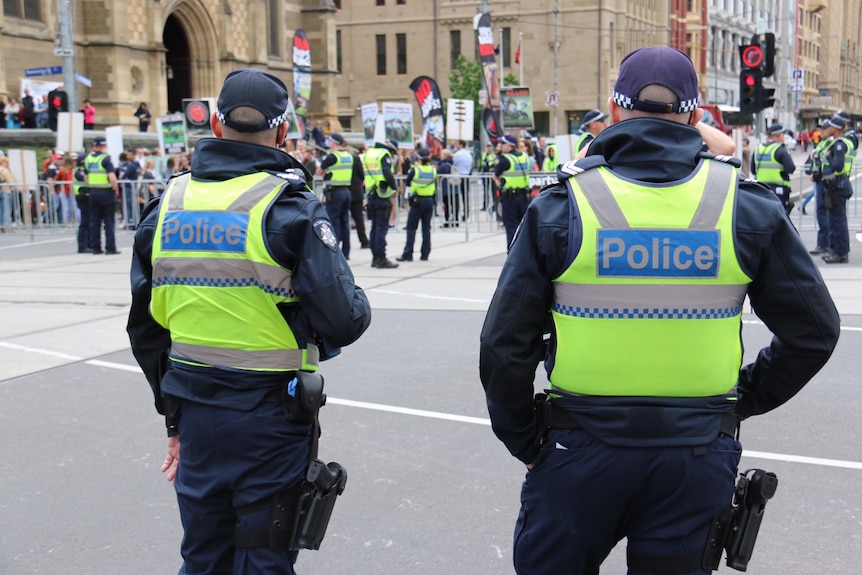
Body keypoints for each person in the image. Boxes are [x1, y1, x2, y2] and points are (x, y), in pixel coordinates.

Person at [479, 46, 841, 575]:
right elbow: (814, 331)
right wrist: (739, 401)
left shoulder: (561, 206)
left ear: (614, 109)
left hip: (578, 449)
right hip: (695, 456)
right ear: (695, 116)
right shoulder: (744, 206)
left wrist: (523, 439)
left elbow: (504, 344)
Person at [126, 68, 372, 575]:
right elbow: (345, 320)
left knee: (203, 554)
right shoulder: (289, 207)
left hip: (194, 409)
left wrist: (173, 418)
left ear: (215, 124)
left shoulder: (167, 205)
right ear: (283, 132)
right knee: (263, 555)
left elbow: (145, 330)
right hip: (269, 417)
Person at [814, 116, 855, 263]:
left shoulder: (839, 145)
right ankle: (835, 250)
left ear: (836, 129)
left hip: (837, 185)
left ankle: (841, 253)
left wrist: (829, 157)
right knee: (834, 219)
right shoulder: (838, 143)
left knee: (837, 220)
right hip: (834, 185)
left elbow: (838, 166)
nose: (828, 128)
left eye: (830, 126)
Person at [363, 138, 400, 268]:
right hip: (382, 195)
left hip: (371, 193)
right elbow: (387, 173)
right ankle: (381, 258)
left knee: (374, 228)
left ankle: (375, 258)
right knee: (381, 228)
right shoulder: (383, 155)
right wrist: (394, 188)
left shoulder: (369, 153)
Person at [316, 133, 353, 259]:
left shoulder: (331, 157)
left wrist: (327, 173)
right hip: (347, 191)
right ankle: (346, 251)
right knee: (345, 222)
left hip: (335, 192)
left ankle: (334, 251)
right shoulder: (349, 156)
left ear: (333, 142)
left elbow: (319, 172)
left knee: (333, 222)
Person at [396, 148, 436, 262]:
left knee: (411, 228)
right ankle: (425, 254)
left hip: (417, 201)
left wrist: (407, 199)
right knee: (426, 229)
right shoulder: (433, 170)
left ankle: (408, 253)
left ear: (418, 158)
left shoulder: (415, 170)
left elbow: (408, 185)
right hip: (429, 201)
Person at [84, 136, 121, 254]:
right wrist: (116, 189)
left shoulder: (88, 159)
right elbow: (112, 177)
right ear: (104, 145)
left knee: (95, 222)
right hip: (105, 193)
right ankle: (110, 248)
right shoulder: (105, 159)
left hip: (93, 192)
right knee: (109, 222)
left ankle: (96, 248)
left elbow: (86, 177)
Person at [493, 133, 530, 246]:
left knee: (511, 226)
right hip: (523, 196)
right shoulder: (524, 156)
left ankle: (512, 252)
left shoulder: (505, 159)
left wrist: (500, 184)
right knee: (523, 226)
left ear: (509, 145)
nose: (501, 145)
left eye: (503, 143)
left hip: (510, 198)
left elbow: (495, 175)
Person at [751, 123, 796, 215]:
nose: (784, 137)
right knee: (779, 218)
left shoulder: (758, 149)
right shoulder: (781, 150)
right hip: (778, 191)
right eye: (783, 134)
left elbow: (753, 170)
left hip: (761, 189)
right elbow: (791, 168)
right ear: (778, 135)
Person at [72, 154, 92, 252]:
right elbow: (86, 180)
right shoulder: (79, 171)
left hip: (86, 196)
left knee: (88, 222)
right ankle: (82, 245)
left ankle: (88, 244)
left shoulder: (82, 170)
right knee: (84, 223)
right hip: (82, 196)